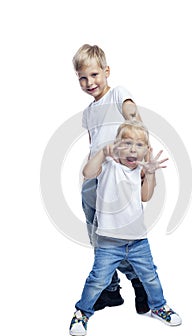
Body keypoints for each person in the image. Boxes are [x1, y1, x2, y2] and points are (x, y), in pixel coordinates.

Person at [69, 121, 182, 336]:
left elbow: (145, 197)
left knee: (150, 276)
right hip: (109, 241)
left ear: (146, 151)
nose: (132, 149)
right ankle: (82, 313)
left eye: (139, 145)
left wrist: (150, 173)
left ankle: (158, 306)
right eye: (127, 143)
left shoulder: (140, 169)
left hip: (138, 240)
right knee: (98, 279)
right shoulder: (108, 166)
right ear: (116, 145)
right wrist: (103, 152)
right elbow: (88, 171)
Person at [73, 44, 149, 313]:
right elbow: (93, 144)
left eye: (94, 75)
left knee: (119, 237)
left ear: (106, 72)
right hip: (94, 182)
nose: (89, 82)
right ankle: (110, 289)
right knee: (97, 237)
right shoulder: (88, 112)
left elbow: (131, 113)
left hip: (118, 183)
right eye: (82, 77)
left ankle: (141, 284)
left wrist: (139, 154)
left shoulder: (118, 94)